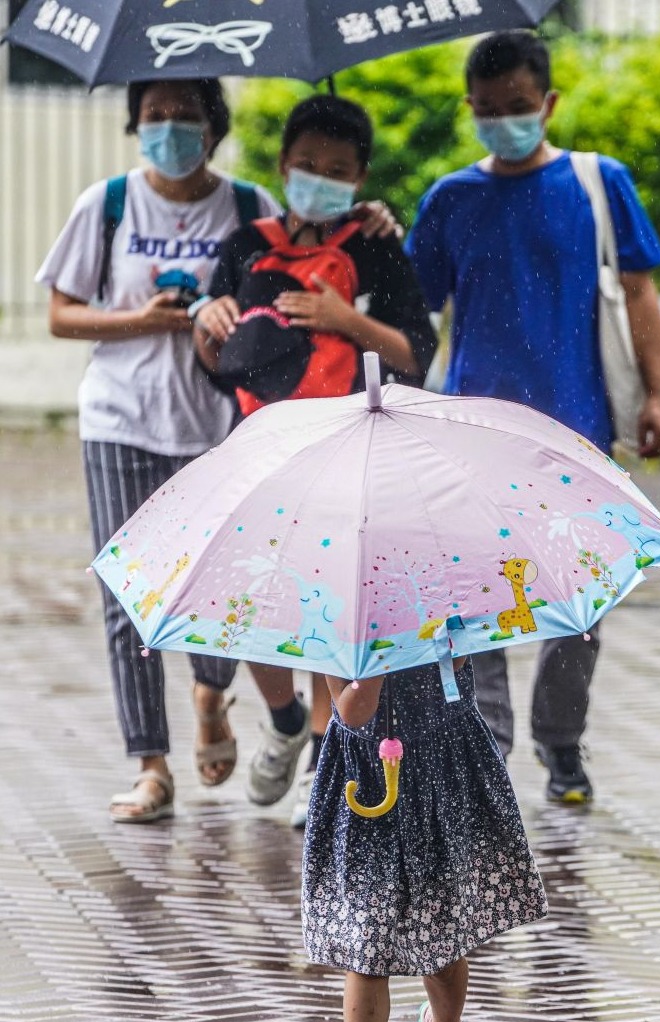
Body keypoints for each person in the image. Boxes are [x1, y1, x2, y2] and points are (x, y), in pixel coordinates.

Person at [406, 30, 660, 805]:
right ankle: (488, 748)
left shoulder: (597, 184)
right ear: (469, 110)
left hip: (576, 433)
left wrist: (657, 394)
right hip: (470, 440)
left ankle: (562, 741)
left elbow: (641, 292)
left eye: (519, 108)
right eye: (488, 111)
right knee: (473, 601)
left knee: (580, 605)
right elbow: (415, 313)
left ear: (548, 103)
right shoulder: (449, 199)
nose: (504, 121)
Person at [38, 78, 284, 825]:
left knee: (223, 590)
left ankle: (211, 693)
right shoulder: (106, 204)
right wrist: (140, 320)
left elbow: (289, 288)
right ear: (134, 125)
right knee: (127, 600)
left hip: (221, 428)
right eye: (155, 117)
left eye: (187, 116)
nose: (170, 129)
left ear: (215, 126)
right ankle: (150, 764)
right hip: (120, 421)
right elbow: (60, 314)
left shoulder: (250, 208)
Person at [194, 95, 437, 821]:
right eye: (307, 166)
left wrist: (346, 320)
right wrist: (206, 327)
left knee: (331, 598)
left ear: (361, 176)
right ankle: (286, 718)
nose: (319, 178)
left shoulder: (377, 249)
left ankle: (329, 757)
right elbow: (221, 362)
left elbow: (415, 356)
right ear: (282, 165)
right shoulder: (245, 245)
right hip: (260, 449)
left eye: (337, 169)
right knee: (253, 599)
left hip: (347, 453)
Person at [304, 657, 548, 1022]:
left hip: (441, 772)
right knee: (366, 944)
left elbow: (458, 683)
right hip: (364, 781)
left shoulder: (441, 601)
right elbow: (352, 713)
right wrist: (370, 665)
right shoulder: (337, 624)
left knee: (440, 940)